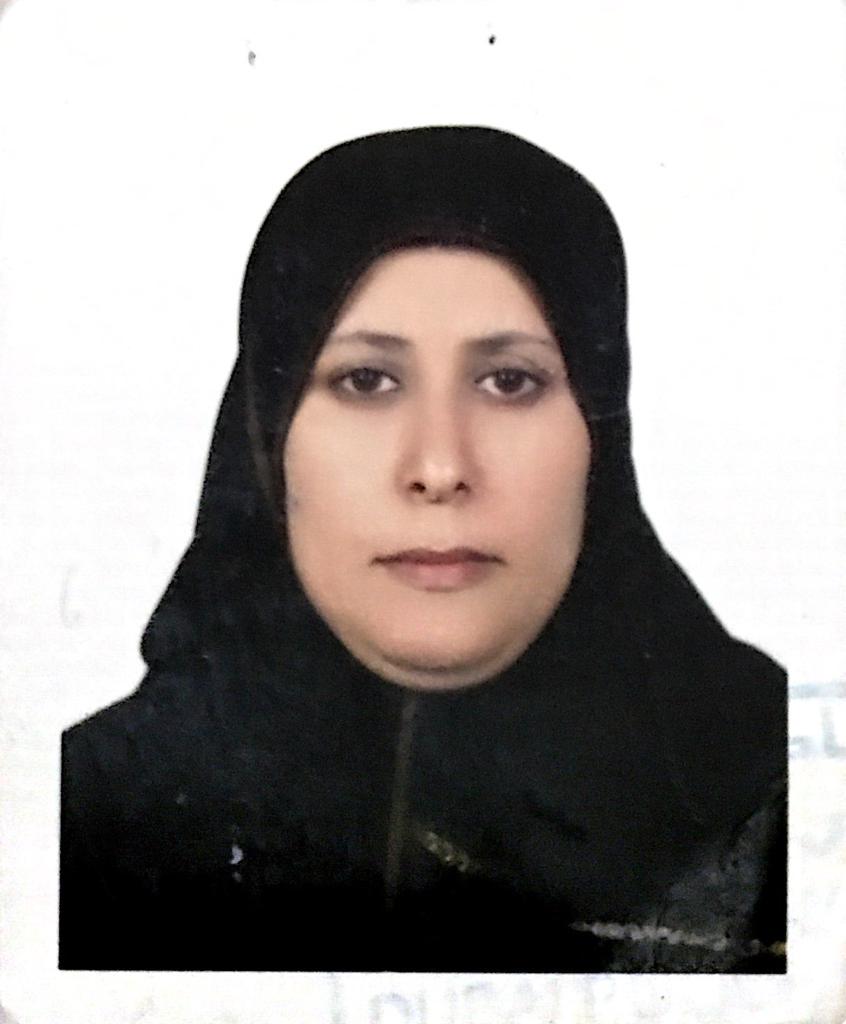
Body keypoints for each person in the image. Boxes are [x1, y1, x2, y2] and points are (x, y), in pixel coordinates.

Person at [59, 126, 787, 972]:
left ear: (599, 431)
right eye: (366, 380)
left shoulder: (774, 800)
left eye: (509, 381)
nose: (440, 467)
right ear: (267, 433)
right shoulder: (79, 823)